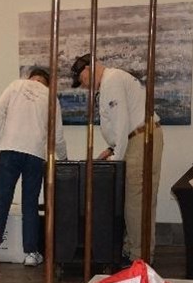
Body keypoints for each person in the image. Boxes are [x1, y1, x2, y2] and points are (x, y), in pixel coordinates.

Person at [70, 53, 163, 264]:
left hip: (139, 141)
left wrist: (117, 160)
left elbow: (121, 123)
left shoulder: (111, 81)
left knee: (136, 201)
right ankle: (135, 249)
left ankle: (139, 257)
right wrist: (112, 149)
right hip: (140, 138)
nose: (84, 85)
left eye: (82, 79)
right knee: (141, 199)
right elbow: (123, 124)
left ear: (88, 68)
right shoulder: (112, 80)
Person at [0, 67, 67, 266]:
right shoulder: (50, 96)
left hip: (9, 149)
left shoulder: (16, 85)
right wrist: (64, 158)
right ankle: (31, 253)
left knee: (2, 201)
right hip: (35, 154)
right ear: (46, 83)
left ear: (31, 78)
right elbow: (57, 134)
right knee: (30, 204)